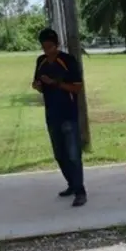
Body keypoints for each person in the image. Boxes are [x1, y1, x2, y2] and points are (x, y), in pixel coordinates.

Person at [32, 28, 87, 207]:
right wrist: (38, 85)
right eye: (44, 47)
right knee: (59, 154)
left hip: (68, 114)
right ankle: (71, 184)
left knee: (73, 154)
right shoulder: (40, 62)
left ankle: (80, 191)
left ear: (57, 45)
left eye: (50, 46)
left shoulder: (67, 61)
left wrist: (55, 83)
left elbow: (77, 87)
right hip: (51, 113)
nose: (47, 50)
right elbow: (38, 84)